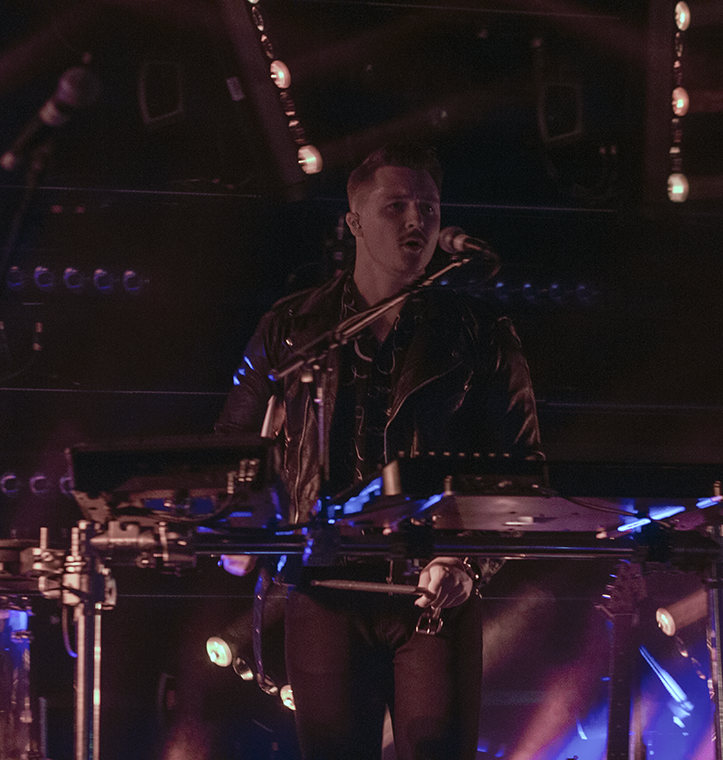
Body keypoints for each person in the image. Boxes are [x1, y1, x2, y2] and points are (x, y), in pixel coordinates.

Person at [215, 143, 542, 760]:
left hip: (432, 594)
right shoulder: (293, 328)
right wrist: (240, 525)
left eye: (429, 208)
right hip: (323, 589)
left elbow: (523, 475)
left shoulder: (481, 333)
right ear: (355, 222)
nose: (417, 221)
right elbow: (234, 449)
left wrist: (468, 564)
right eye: (397, 206)